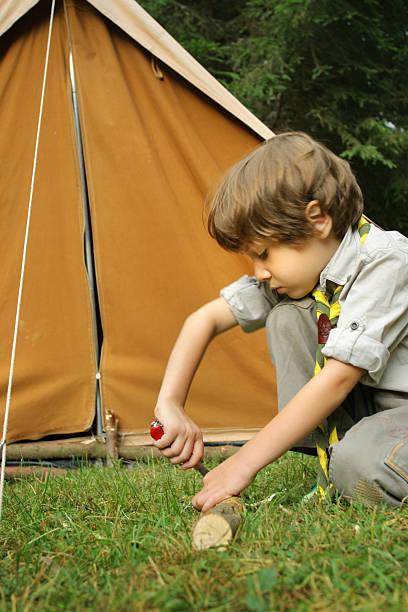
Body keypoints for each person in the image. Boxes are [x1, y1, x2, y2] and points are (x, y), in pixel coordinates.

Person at [152, 131, 408, 513]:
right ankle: (345, 464)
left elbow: (339, 377)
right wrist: (170, 403)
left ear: (316, 220)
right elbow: (203, 320)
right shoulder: (309, 271)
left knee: (360, 464)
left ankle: (357, 469)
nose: (260, 272)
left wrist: (242, 463)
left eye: (264, 254)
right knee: (288, 316)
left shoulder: (387, 261)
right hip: (377, 416)